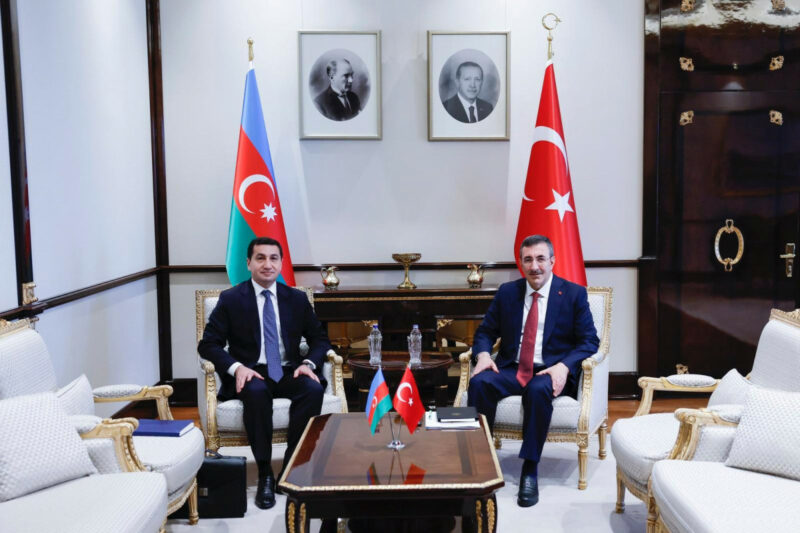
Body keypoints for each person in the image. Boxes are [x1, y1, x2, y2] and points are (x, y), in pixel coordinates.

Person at [198, 237, 330, 510]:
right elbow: (208, 344)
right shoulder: (231, 299)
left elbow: (319, 339)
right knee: (256, 394)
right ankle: (265, 474)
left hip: (289, 370)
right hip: (252, 372)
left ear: (281, 263)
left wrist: (308, 364)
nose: (267, 264)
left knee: (313, 389)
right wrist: (237, 368)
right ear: (249, 263)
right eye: (260, 258)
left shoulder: (296, 299)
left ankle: (291, 468)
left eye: (273, 258)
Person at [468, 235, 599, 507]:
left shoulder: (573, 294)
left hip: (550, 370)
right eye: (528, 260)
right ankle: (481, 460)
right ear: (521, 263)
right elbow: (485, 332)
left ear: (552, 261)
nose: (534, 266)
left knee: (538, 390)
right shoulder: (508, 292)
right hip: (512, 367)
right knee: (480, 382)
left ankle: (529, 468)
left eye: (540, 258)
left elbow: (589, 341)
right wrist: (483, 355)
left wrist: (563, 366)